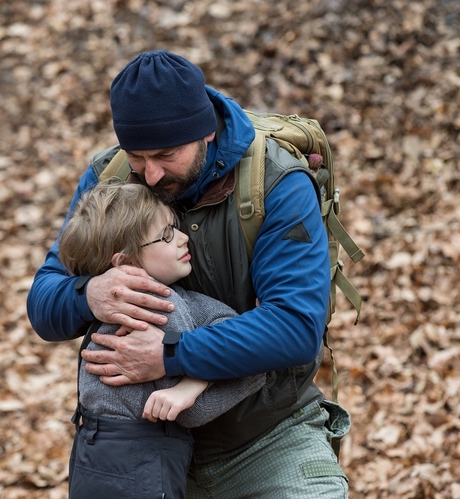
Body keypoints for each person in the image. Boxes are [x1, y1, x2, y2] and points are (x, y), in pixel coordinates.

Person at [27, 50, 351, 498]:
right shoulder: (109, 178)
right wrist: (88, 293)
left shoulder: (276, 182)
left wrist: (168, 355)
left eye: (166, 154)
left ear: (208, 131)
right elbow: (43, 303)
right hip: (146, 453)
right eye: (137, 156)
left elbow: (296, 328)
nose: (152, 175)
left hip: (269, 435)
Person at [59, 180, 266, 498]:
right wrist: (253, 370)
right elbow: (191, 411)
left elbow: (219, 321)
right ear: (126, 263)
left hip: (90, 458)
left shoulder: (109, 307)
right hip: (138, 473)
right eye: (168, 234)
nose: (184, 238)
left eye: (176, 227)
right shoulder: (157, 309)